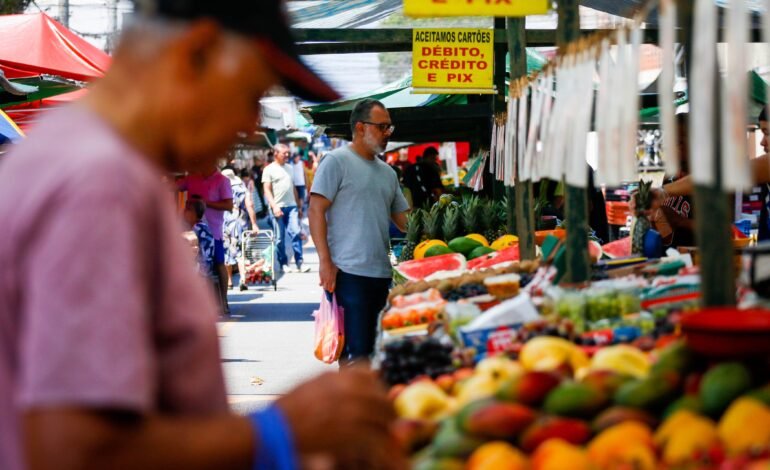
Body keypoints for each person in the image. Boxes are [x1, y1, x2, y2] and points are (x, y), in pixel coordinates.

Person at [0, 2, 405, 470]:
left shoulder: (78, 157)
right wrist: (277, 432)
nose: (251, 124)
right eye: (250, 94)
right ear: (198, 52)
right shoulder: (100, 183)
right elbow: (75, 448)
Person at [309, 99, 409, 365]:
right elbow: (315, 210)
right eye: (382, 126)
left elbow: (405, 222)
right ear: (361, 127)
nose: (388, 133)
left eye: (390, 127)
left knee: (375, 355)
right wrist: (325, 262)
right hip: (348, 274)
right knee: (356, 355)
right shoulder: (336, 161)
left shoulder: (387, 173)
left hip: (381, 274)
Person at [178, 165, 234, 313]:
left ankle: (223, 301)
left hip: (214, 231)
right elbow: (173, 186)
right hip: (190, 231)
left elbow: (229, 205)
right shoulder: (192, 178)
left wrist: (206, 203)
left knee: (218, 264)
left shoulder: (222, 180)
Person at [262, 143, 309, 273]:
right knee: (279, 238)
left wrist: (298, 206)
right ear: (276, 154)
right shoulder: (269, 169)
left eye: (288, 153)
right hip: (278, 208)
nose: (287, 155)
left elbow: (292, 187)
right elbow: (267, 189)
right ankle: (283, 262)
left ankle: (299, 261)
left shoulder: (290, 167)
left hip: (292, 206)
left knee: (296, 232)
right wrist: (274, 206)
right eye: (284, 153)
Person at [222, 169, 252, 291]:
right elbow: (250, 205)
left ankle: (229, 281)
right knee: (241, 252)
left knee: (227, 253)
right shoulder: (242, 189)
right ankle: (243, 279)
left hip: (225, 223)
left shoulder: (221, 189)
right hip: (240, 224)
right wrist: (254, 224)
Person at [184, 197, 216, 281]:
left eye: (186, 210)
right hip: (208, 268)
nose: (183, 212)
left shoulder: (197, 229)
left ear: (193, 213)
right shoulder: (203, 226)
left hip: (201, 270)